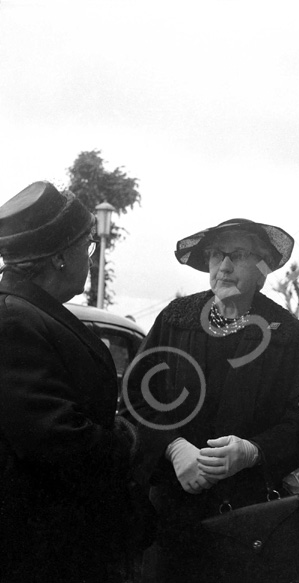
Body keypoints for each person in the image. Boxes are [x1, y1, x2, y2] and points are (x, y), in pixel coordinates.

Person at [124, 218, 299, 583]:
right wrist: (172, 446)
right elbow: (135, 398)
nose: (224, 266)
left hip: (249, 524)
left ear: (262, 269)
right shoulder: (175, 320)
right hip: (172, 519)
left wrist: (252, 450)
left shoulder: (287, 336)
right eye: (217, 254)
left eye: (239, 255)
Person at [0, 181, 148, 583]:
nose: (90, 259)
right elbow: (54, 437)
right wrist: (126, 440)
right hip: (42, 549)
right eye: (88, 247)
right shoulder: (13, 319)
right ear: (61, 258)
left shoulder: (29, 311)